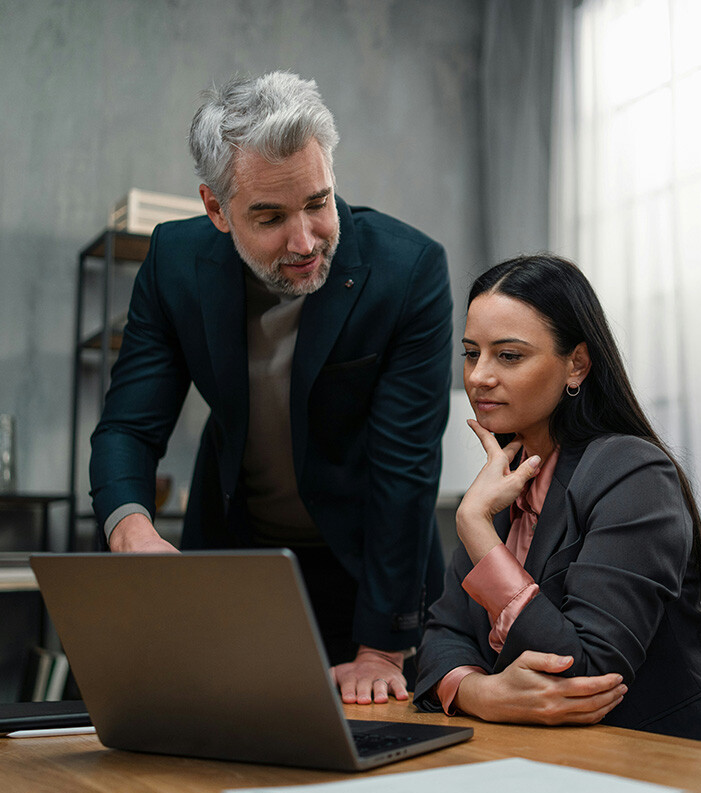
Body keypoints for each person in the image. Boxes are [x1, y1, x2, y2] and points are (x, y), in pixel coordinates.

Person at [89, 71, 453, 705]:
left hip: (372, 574)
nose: (305, 240)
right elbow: (128, 425)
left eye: (318, 202)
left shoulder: (409, 271)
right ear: (216, 209)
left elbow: (406, 469)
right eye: (270, 216)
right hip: (237, 558)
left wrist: (379, 648)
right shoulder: (174, 261)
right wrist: (132, 531)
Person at [414, 253, 701, 753]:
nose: (479, 376)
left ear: (577, 364)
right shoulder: (501, 486)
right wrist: (479, 692)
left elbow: (586, 675)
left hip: (692, 761)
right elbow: (440, 640)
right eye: (470, 352)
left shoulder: (631, 472)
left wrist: (477, 532)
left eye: (508, 356)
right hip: (580, 764)